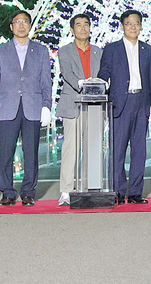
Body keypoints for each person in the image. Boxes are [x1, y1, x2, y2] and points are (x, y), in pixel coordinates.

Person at [0, 10, 53, 206]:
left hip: (32, 106)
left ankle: (28, 191)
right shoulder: (0, 50)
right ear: (11, 26)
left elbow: (45, 81)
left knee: (31, 153)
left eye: (25, 21)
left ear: (29, 26)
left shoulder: (40, 50)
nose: (21, 25)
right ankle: (7, 191)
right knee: (6, 152)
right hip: (7, 107)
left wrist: (46, 106)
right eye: (17, 22)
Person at [100, 9, 151, 204]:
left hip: (141, 102)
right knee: (118, 150)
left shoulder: (148, 50)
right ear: (122, 26)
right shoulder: (112, 49)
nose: (133, 27)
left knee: (139, 151)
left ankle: (135, 192)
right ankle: (118, 190)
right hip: (120, 104)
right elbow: (104, 72)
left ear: (141, 26)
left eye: (136, 23)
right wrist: (100, 86)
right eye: (129, 23)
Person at [56, 12, 103, 205]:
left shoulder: (98, 51)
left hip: (94, 105)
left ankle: (89, 186)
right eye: (78, 25)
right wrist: (85, 85)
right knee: (70, 148)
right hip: (72, 104)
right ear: (72, 29)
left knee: (92, 147)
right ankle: (66, 190)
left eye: (86, 24)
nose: (83, 28)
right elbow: (67, 74)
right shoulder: (64, 51)